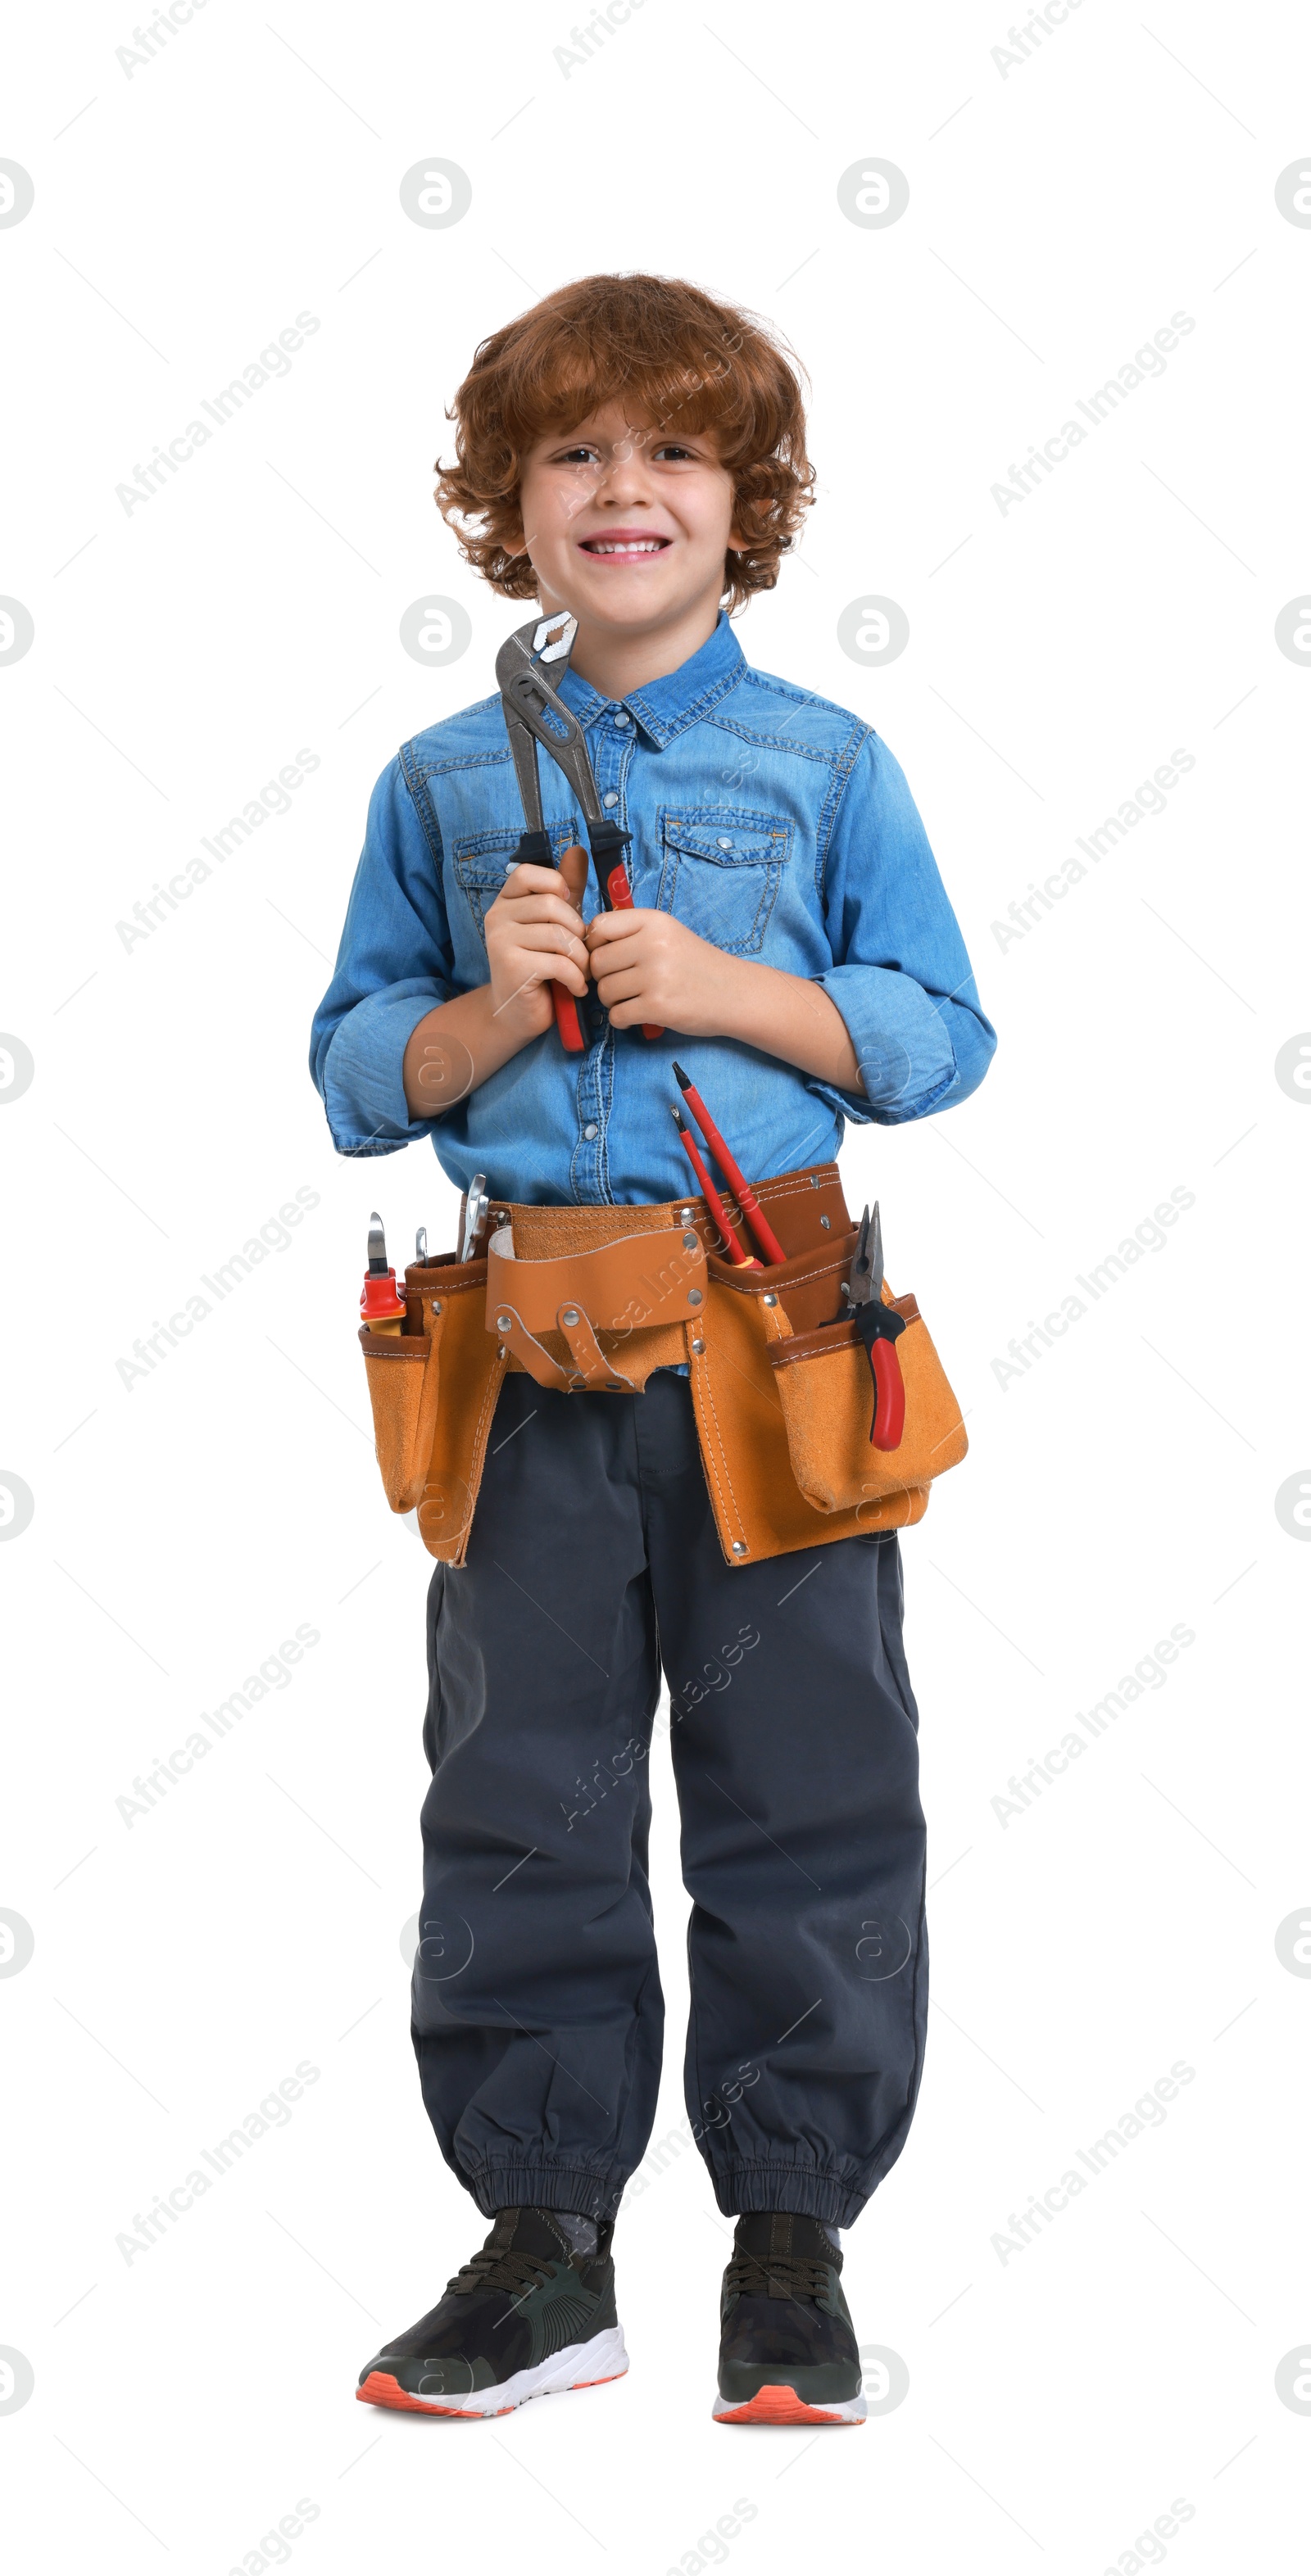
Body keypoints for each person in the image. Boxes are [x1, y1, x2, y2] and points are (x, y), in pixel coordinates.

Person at [310, 271, 996, 2426]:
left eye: (675, 451)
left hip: (775, 1348)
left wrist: (718, 984)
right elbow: (354, 1073)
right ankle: (545, 2243)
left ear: (745, 499)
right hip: (524, 1364)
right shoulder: (436, 785)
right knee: (518, 1787)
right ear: (511, 503)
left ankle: (790, 2241)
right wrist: (496, 1013)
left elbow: (937, 1034)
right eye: (578, 451)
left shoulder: (827, 762)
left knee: (810, 1786)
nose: (627, 489)